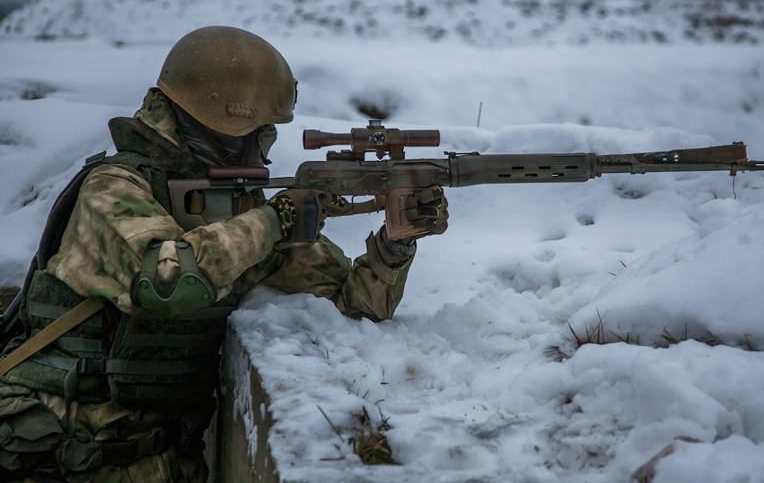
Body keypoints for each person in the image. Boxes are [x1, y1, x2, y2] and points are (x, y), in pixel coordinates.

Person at [0, 26, 448, 481]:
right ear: (224, 125)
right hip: (50, 454)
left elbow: (353, 303)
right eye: (262, 133)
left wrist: (395, 242)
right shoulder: (113, 188)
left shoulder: (237, 213)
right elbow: (168, 282)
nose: (266, 148)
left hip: (159, 460)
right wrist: (274, 222)